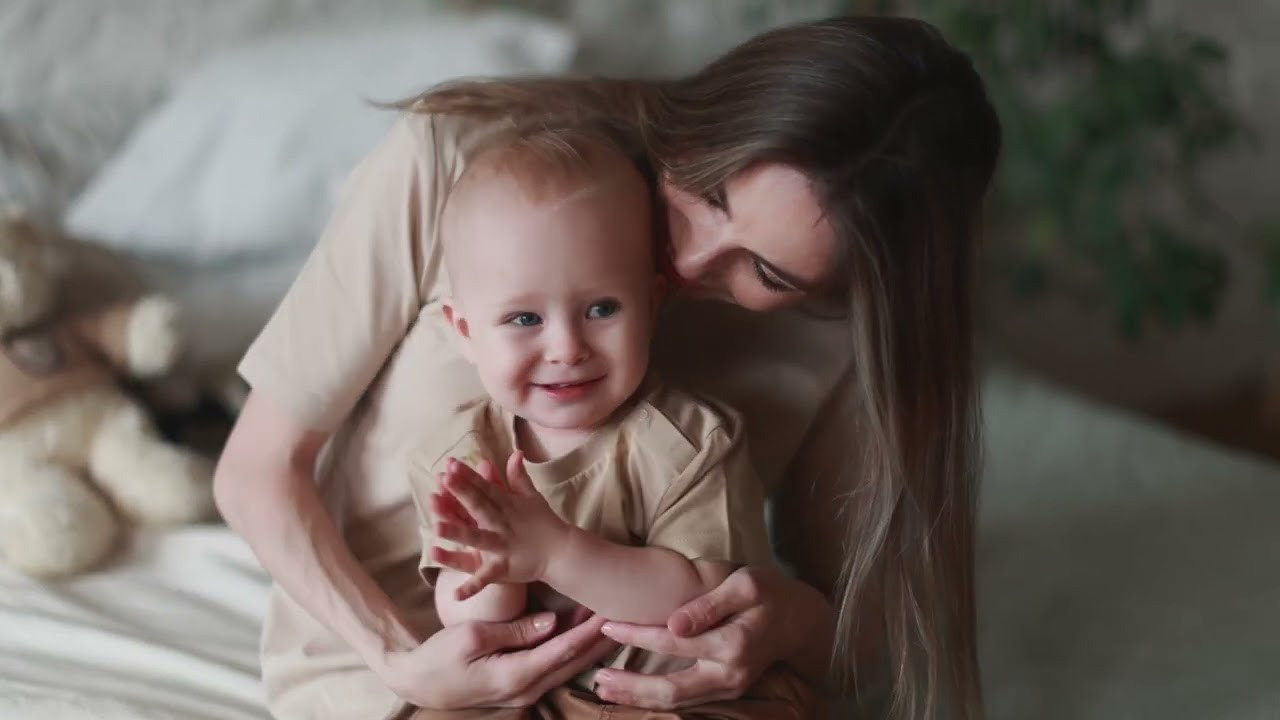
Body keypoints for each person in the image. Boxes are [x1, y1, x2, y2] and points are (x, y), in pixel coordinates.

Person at [213, 14, 1000, 720]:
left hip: (649, 678)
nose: (687, 261)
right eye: (707, 193)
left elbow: (866, 636)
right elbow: (258, 471)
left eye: (769, 274)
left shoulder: (850, 339)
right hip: (399, 664)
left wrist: (785, 622)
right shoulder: (456, 158)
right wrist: (399, 661)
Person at [405, 126, 819, 718]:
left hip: (671, 695)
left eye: (601, 308)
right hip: (527, 696)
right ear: (465, 331)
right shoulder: (458, 456)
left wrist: (555, 553)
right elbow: (466, 618)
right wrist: (495, 565)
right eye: (524, 318)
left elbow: (696, 598)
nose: (567, 347)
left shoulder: (693, 441)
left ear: (651, 305)